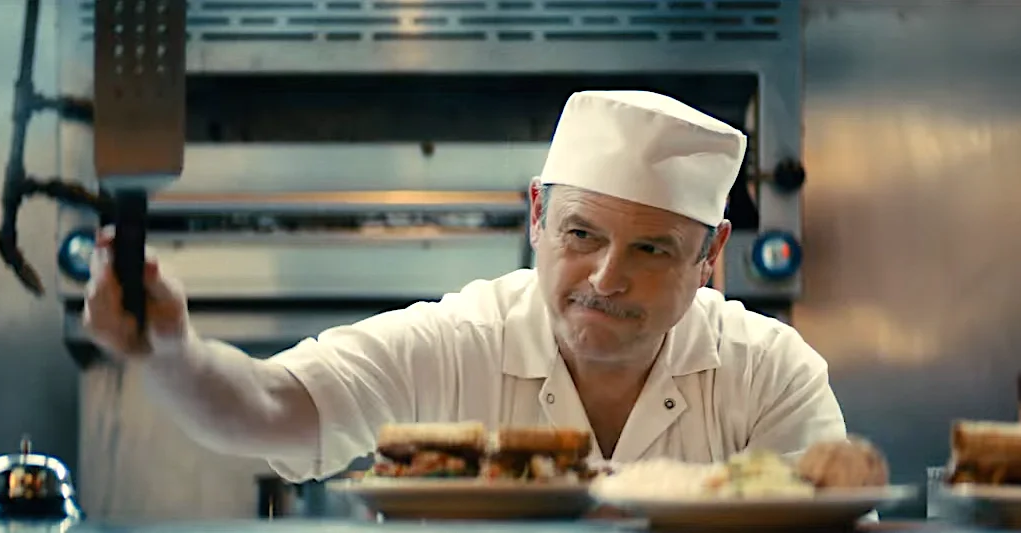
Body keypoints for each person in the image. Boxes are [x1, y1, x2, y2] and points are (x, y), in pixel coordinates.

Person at [83, 90, 847, 483]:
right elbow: (266, 407)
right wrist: (171, 352)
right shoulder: (452, 343)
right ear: (538, 214)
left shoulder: (768, 371)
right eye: (581, 235)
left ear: (710, 253)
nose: (606, 278)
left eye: (650, 248)